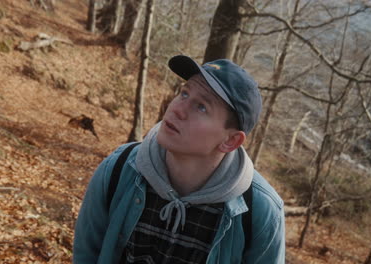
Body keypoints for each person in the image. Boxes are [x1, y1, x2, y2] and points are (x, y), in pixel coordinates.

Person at [73, 55, 285, 263]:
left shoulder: (261, 212)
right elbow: (86, 256)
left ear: (230, 141)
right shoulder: (119, 169)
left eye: (201, 106)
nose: (176, 109)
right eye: (184, 94)